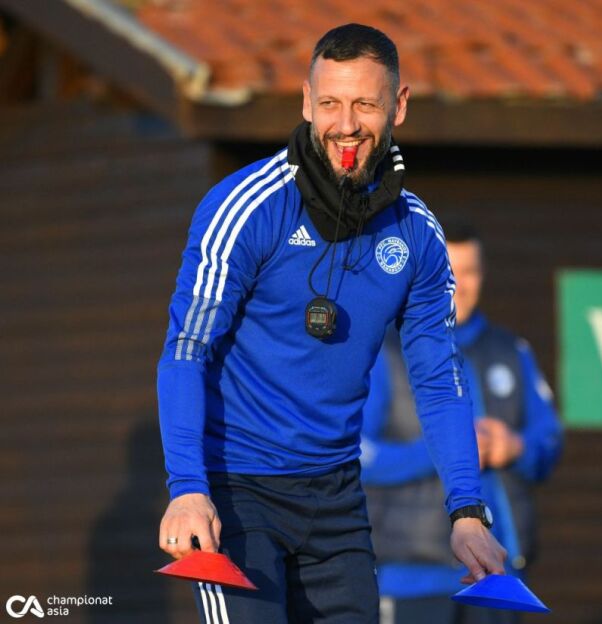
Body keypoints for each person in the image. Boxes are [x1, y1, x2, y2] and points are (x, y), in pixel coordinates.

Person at [156, 24, 505, 624]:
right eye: (330, 104)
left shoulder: (417, 234)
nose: (346, 125)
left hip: (337, 501)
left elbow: (438, 377)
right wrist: (187, 488)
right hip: (236, 494)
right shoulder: (245, 209)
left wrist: (467, 510)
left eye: (365, 104)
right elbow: (187, 349)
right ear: (305, 102)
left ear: (398, 106)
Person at [361, 221, 563, 624]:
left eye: (469, 272)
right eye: (448, 272)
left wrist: (515, 447)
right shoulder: (385, 350)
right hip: (410, 577)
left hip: (498, 576)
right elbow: (354, 454)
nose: (459, 285)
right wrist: (451, 448)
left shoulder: (509, 350)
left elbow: (549, 439)